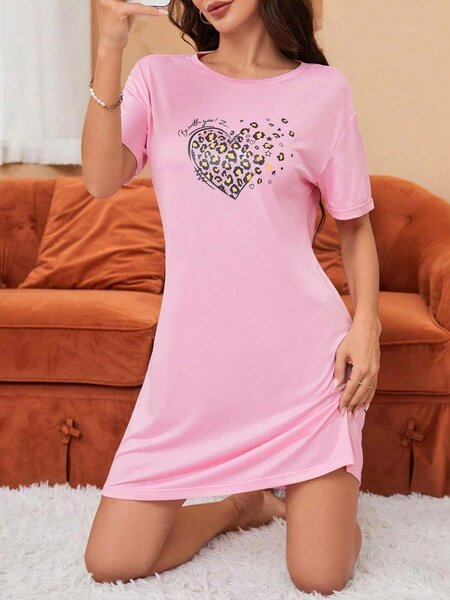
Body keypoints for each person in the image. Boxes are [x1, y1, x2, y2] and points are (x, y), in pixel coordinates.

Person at [82, 0, 381, 595]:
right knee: (111, 562)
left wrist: (366, 326)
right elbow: (99, 179)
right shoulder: (159, 79)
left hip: (305, 365)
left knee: (319, 577)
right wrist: (111, 44)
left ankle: (329, 510)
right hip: (192, 369)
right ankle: (238, 506)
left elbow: (355, 227)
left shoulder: (323, 92)